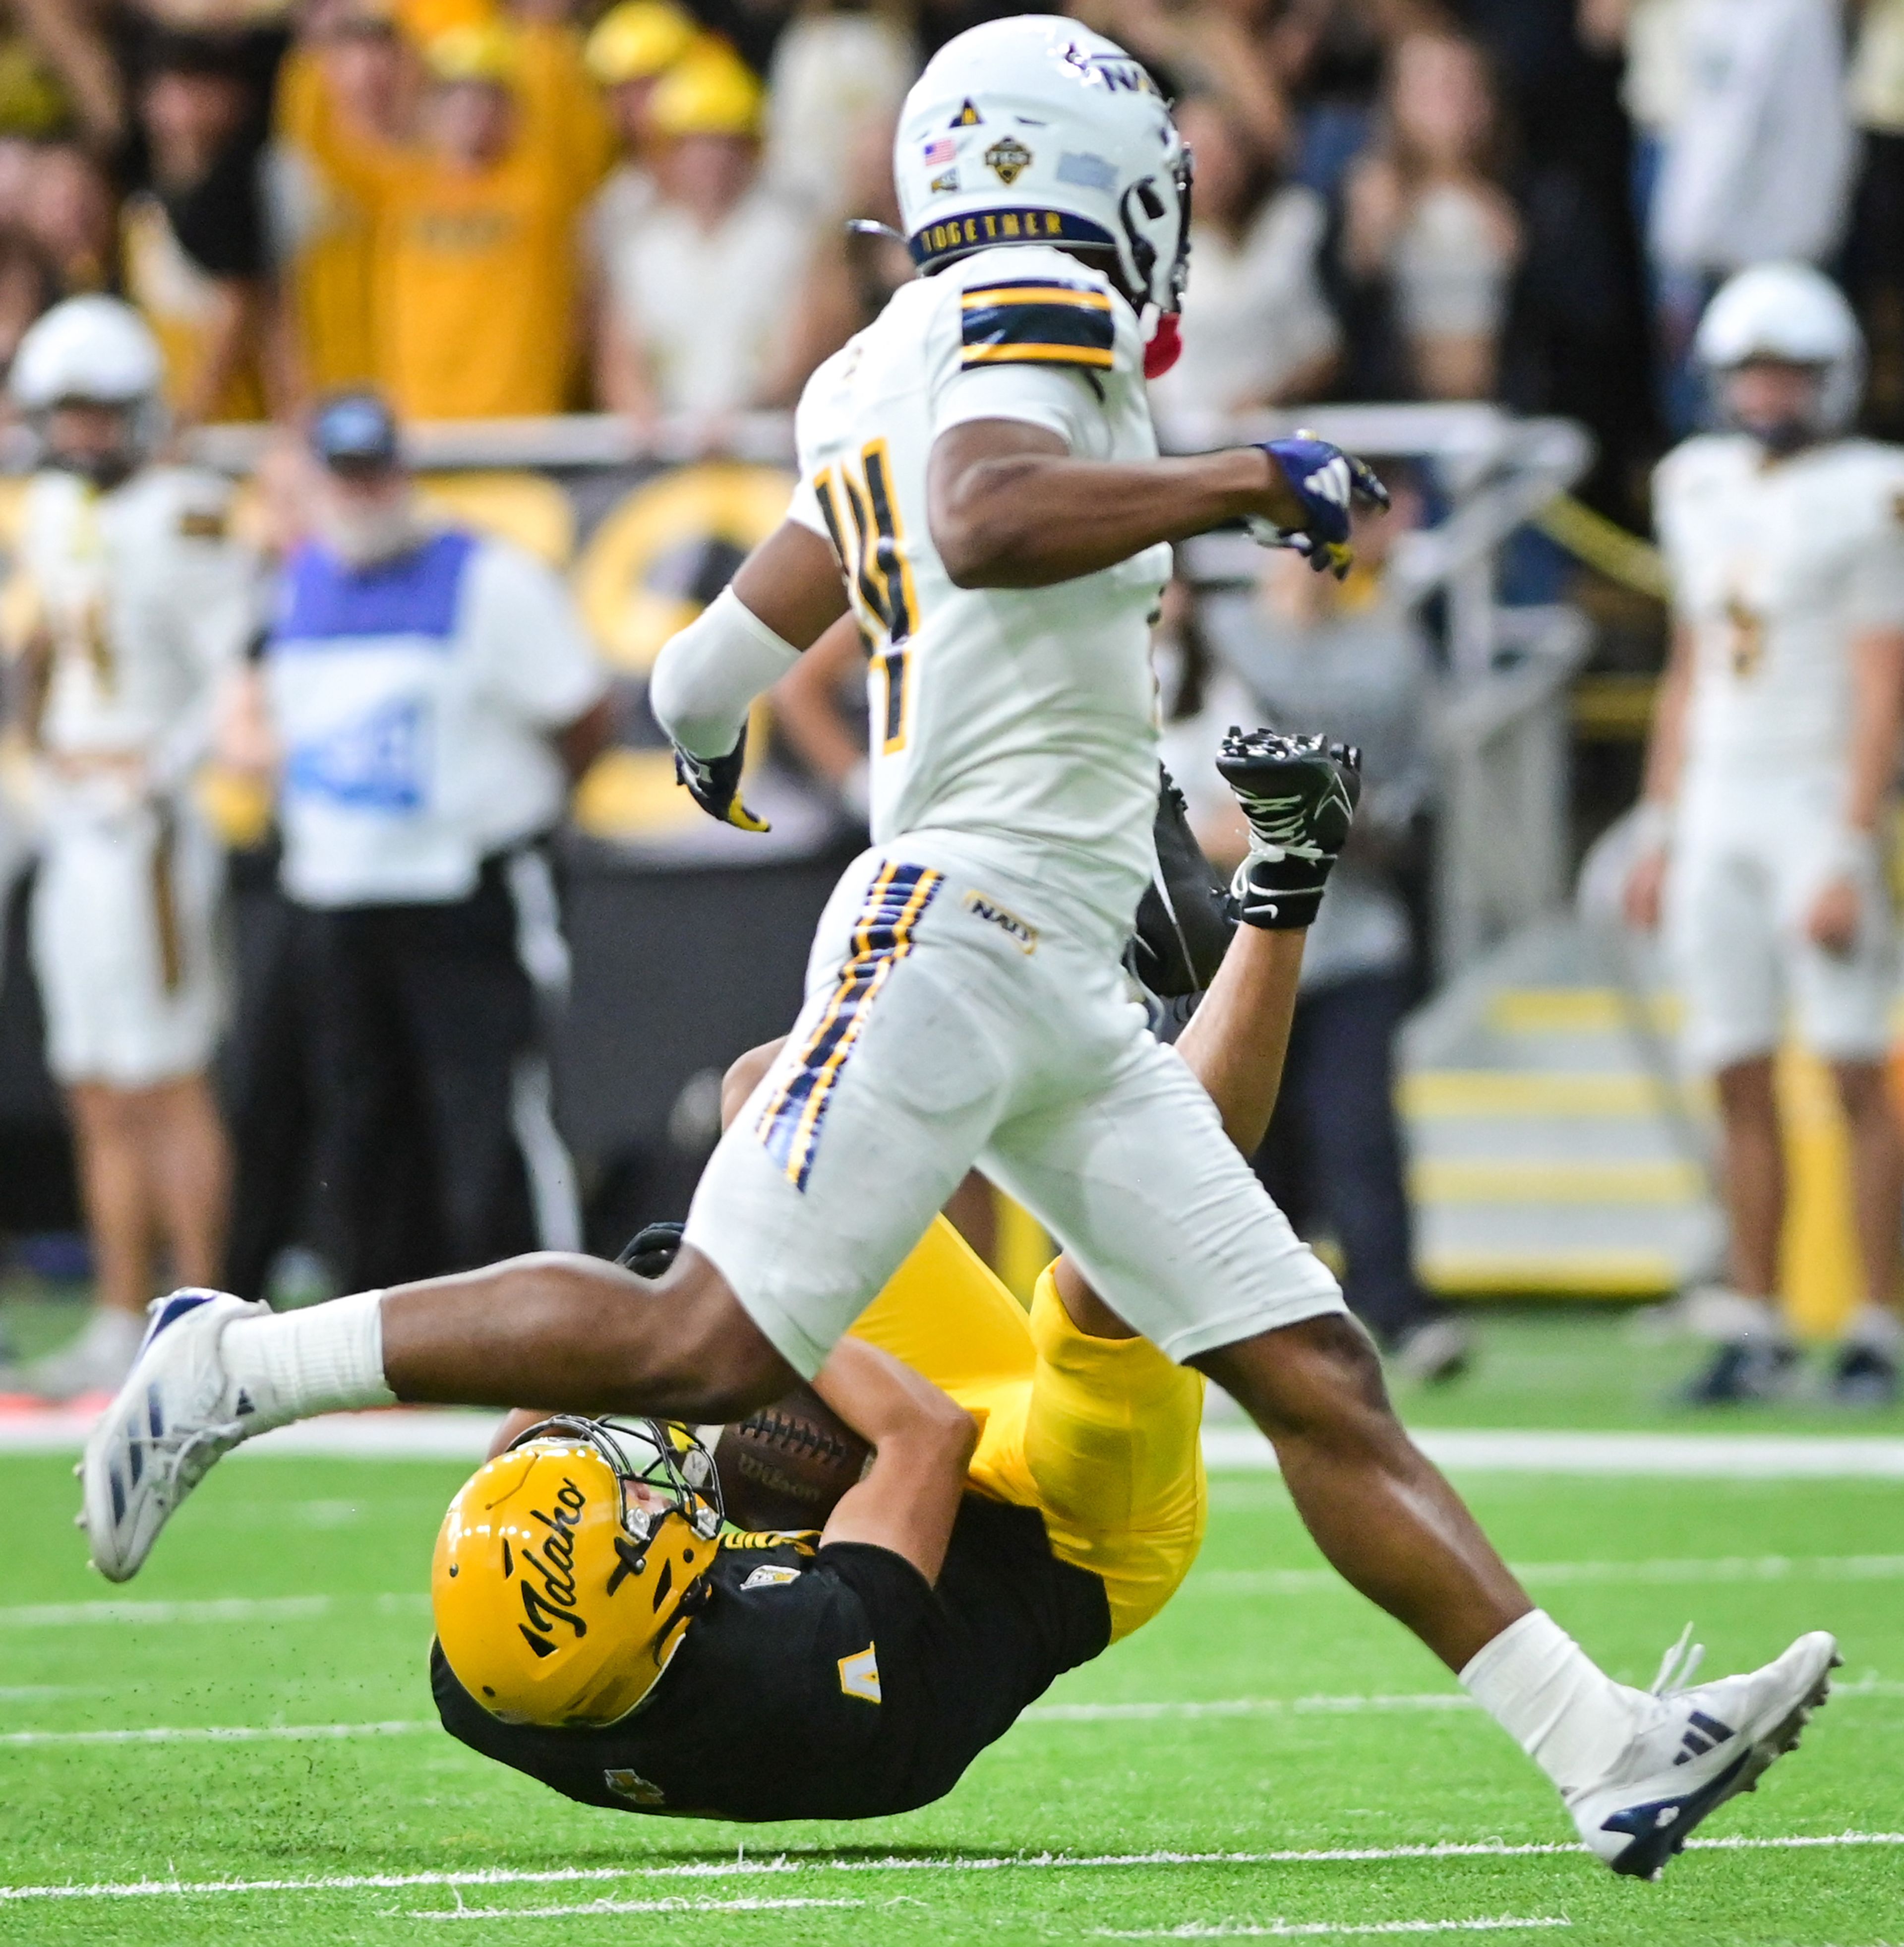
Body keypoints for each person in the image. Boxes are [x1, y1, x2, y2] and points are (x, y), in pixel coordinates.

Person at [86, 21, 1837, 1882]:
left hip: (1048, 954)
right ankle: (240, 1360)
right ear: (1076, 171)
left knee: (1315, 1370)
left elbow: (766, 604)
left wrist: (704, 703)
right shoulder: (1030, 295)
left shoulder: (871, 358)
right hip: (968, 920)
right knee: (704, 1333)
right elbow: (987, 518)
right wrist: (1247, 481)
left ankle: (1607, 1749)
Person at [429, 742, 1341, 1819]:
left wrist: (633, 1332)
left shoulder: (497, 1675)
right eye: (639, 1511)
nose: (643, 1475)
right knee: (1124, 1262)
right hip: (1068, 1532)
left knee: (767, 1098)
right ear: (648, 1613)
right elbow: (925, 1436)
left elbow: (525, 1453)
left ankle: (1067, 993)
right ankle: (1289, 873)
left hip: (920, 1459)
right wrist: (741, 1297)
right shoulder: (791, 1670)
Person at [256, 389, 613, 1291]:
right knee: (364, 1126)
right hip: (337, 892)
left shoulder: (487, 577)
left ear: (403, 473)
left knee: (492, 1113)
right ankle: (390, 1338)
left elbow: (581, 712)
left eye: (374, 471)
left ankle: (543, 1319)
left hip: (461, 884)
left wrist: (513, 813)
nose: (361, 493)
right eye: (343, 474)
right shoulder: (297, 580)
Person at [1624, 263, 1904, 1408]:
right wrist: (1656, 817)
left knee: (1848, 1066)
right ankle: (1754, 1314)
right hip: (1716, 803)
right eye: (1751, 367)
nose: (1768, 390)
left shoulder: (1870, 488)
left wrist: (1846, 840)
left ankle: (1876, 1320)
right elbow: (1688, 664)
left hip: (1808, 797)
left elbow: (1880, 680)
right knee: (1732, 1063)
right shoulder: (1694, 482)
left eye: (1788, 368)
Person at [0, 297, 253, 1399]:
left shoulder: (189, 516)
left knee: (167, 1078)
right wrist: (44, 752)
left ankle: (199, 1311)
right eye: (70, 413)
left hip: (148, 826)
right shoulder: (48, 508)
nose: (86, 434)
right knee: (96, 1083)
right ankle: (116, 1312)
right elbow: (51, 644)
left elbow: (236, 673)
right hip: (70, 817)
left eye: (103, 413)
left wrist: (151, 769)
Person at [1198, 481, 1466, 1384]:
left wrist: (1334, 819)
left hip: (1350, 926)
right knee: (1243, 1140)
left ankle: (1395, 1304)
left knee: (1357, 1128)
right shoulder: (1219, 639)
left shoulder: (1388, 645)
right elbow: (1190, 785)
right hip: (1235, 931)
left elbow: (1413, 801)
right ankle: (1250, 1323)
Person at [592, 39, 816, 425]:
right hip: (666, 448)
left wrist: (744, 412)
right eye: (696, 145)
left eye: (725, 143)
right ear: (671, 154)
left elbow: (807, 344)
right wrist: (641, 414)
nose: (712, 161)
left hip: (766, 441)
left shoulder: (791, 235)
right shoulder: (643, 245)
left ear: (751, 149)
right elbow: (620, 360)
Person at [1340, 28, 1520, 403]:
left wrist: (1525, 257)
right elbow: (1332, 331)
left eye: (1462, 86)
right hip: (1399, 418)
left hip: (1504, 410)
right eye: (1431, 89)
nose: (1450, 103)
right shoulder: (1365, 191)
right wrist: (1360, 252)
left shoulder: (1534, 196)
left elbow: (1583, 322)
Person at [1147, 88, 1338, 422]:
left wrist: (1272, 396)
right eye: (1197, 155)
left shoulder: (1293, 227)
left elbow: (1322, 349)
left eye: (1223, 152)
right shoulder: (1144, 248)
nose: (1213, 169)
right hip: (1176, 445)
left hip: (1273, 434)